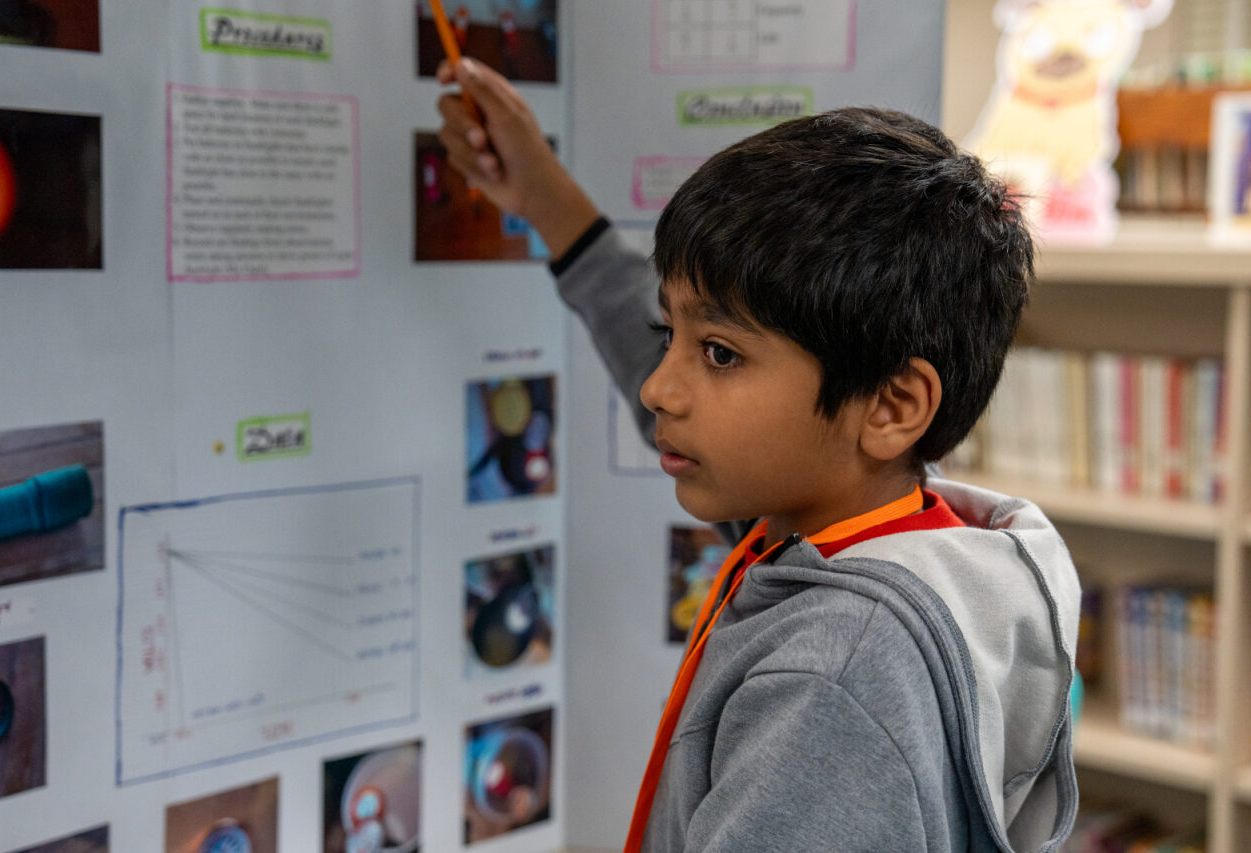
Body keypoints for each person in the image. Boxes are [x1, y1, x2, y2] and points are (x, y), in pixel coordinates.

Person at [437, 58, 1081, 853]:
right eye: (670, 335)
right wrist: (545, 198)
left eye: (717, 354)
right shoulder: (880, 526)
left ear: (892, 405)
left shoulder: (831, 682)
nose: (659, 390)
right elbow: (686, 380)